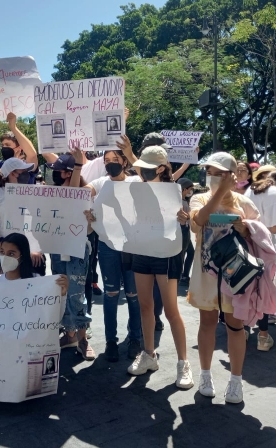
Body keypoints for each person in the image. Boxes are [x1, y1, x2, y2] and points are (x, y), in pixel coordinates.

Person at [117, 146, 193, 388]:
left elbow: (183, 220)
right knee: (145, 306)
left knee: (171, 311)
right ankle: (149, 354)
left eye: (149, 168)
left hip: (166, 253)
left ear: (161, 168)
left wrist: (185, 219)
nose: (143, 172)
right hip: (142, 251)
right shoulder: (138, 189)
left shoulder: (173, 192)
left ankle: (183, 363)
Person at [188, 152, 260, 403]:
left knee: (235, 325)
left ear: (231, 175)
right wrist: (219, 193)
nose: (213, 177)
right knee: (207, 321)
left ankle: (236, 380)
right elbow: (198, 222)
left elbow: (259, 240)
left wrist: (244, 227)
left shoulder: (245, 203)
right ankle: (205, 374)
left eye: (220, 173)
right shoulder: (198, 198)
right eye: (210, 172)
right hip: (206, 272)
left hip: (236, 275)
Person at [85, 140, 143, 362]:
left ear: (124, 161)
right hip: (108, 247)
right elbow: (82, 193)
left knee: (133, 295)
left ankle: (135, 338)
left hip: (134, 247)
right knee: (111, 295)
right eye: (106, 160)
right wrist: (85, 211)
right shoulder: (100, 183)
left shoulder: (136, 181)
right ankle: (111, 342)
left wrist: (130, 150)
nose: (110, 164)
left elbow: (152, 180)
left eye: (114, 160)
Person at [45, 149, 96, 360]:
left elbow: (90, 228)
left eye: (58, 171)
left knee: (76, 293)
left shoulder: (85, 193)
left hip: (77, 249)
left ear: (67, 173)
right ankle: (70, 334)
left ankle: (83, 339)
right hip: (57, 248)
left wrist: (77, 165)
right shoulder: (51, 194)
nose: (54, 175)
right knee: (62, 291)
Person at [247, 168, 276, 351]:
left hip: (247, 243)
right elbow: (275, 227)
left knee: (246, 288)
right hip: (266, 247)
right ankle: (263, 336)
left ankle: (242, 329)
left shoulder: (252, 189)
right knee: (264, 289)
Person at [0, 158, 43, 275]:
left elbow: (40, 222)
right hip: (8, 251)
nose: (26, 174)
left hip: (32, 252)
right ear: (11, 173)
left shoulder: (34, 193)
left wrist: (36, 248)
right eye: (22, 171)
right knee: (7, 286)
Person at [177, 178, 195, 285]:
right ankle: (180, 276)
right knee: (182, 254)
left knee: (190, 252)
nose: (190, 192)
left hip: (186, 229)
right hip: (182, 230)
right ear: (184, 189)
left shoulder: (184, 200)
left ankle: (184, 275)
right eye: (190, 189)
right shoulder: (179, 201)